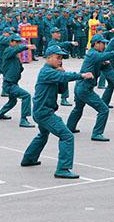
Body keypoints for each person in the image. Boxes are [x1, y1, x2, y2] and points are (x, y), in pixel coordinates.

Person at [21, 44, 93, 179]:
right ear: (48, 58)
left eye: (61, 58)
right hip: (44, 112)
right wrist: (81, 75)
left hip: (42, 110)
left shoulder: (53, 72)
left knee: (43, 135)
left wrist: (62, 73)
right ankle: (63, 169)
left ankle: (29, 159)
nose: (60, 61)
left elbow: (61, 89)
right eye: (57, 57)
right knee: (67, 136)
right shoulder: (47, 71)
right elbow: (65, 78)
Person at [66, 34, 114, 141]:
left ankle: (69, 128)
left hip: (80, 86)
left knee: (78, 108)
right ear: (96, 44)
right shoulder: (93, 54)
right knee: (103, 110)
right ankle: (97, 133)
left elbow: (101, 64)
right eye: (102, 43)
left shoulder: (96, 55)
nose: (104, 46)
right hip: (85, 88)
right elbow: (104, 56)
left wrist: (106, 63)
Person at [0, 33, 33, 128]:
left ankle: (0, 114)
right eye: (16, 42)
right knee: (26, 96)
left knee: (12, 101)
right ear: (11, 42)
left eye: (19, 42)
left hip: (13, 83)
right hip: (9, 84)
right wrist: (25, 47)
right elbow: (16, 49)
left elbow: (20, 68)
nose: (18, 44)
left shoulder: (14, 55)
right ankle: (24, 119)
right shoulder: (8, 51)